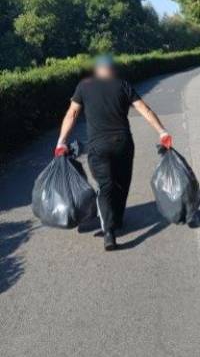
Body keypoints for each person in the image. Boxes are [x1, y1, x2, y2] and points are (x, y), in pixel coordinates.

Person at [55, 54, 173, 251]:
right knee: (121, 182)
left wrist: (61, 141)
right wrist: (162, 132)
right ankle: (116, 219)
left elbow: (72, 114)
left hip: (98, 146)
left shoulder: (84, 86)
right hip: (123, 144)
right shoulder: (122, 85)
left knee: (105, 185)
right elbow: (144, 109)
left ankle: (109, 231)